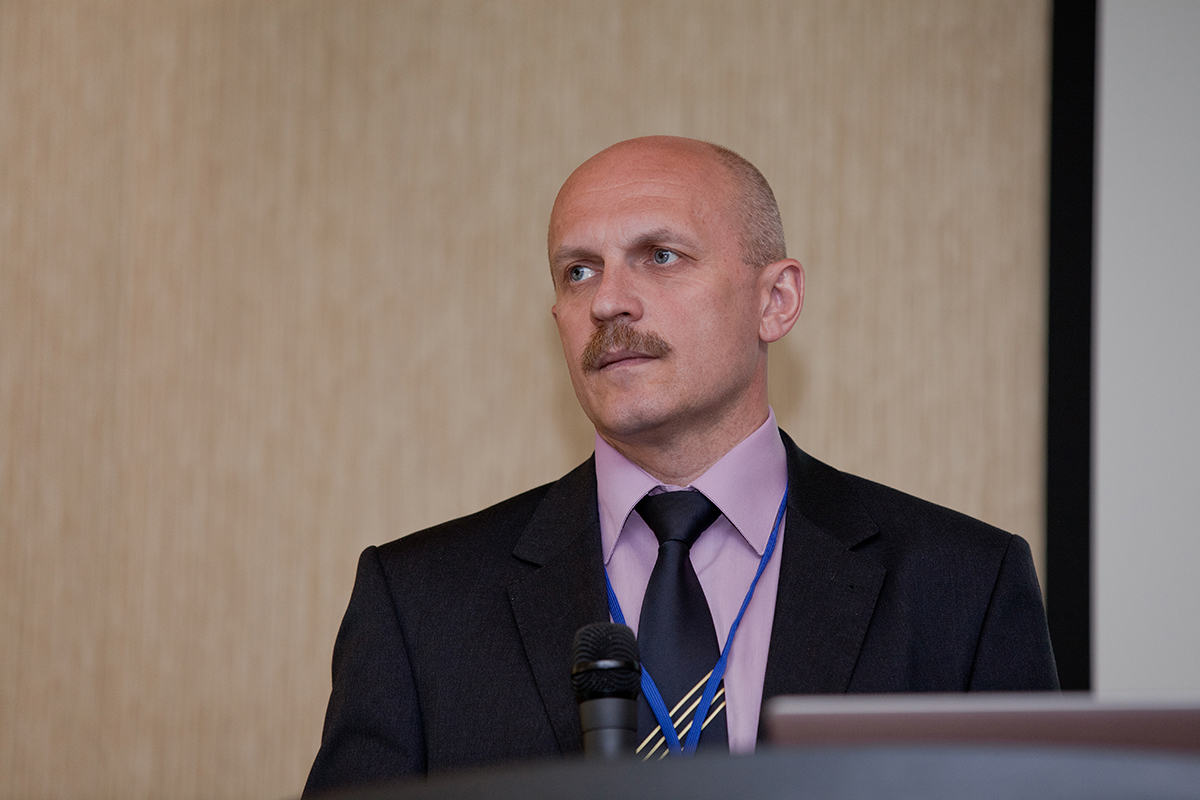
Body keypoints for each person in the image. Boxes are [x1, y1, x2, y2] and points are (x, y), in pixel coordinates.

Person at [303, 136, 1058, 794]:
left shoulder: (963, 588)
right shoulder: (419, 603)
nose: (608, 302)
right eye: (578, 272)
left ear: (776, 300)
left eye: (660, 257)